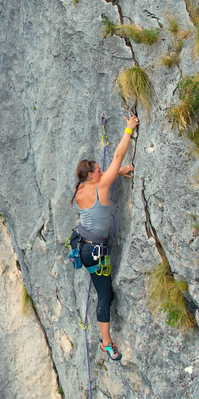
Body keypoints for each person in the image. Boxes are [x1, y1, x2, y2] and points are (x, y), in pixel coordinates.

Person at [70, 114, 138, 361]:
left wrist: (117, 173)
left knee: (104, 291)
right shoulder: (99, 186)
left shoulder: (81, 188)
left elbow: (110, 173)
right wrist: (128, 130)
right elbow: (118, 155)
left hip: (84, 247)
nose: (102, 170)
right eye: (99, 170)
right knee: (105, 294)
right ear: (91, 175)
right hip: (95, 253)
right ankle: (106, 343)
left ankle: (106, 340)